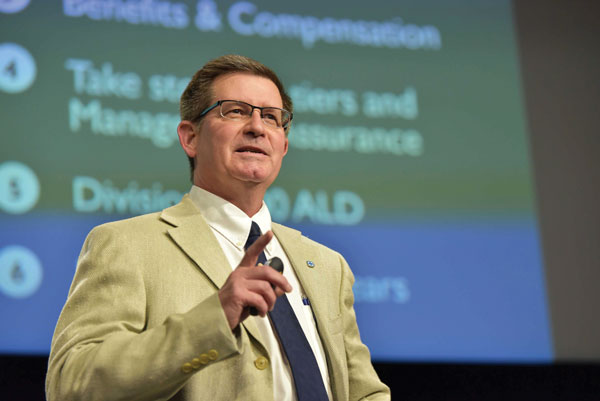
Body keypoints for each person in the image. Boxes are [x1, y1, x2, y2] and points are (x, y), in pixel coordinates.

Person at [46, 54, 390, 401]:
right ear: (190, 137)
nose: (257, 126)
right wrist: (214, 318)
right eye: (236, 111)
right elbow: (71, 383)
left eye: (271, 117)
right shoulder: (126, 245)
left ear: (283, 146)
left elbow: (364, 392)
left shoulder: (328, 265)